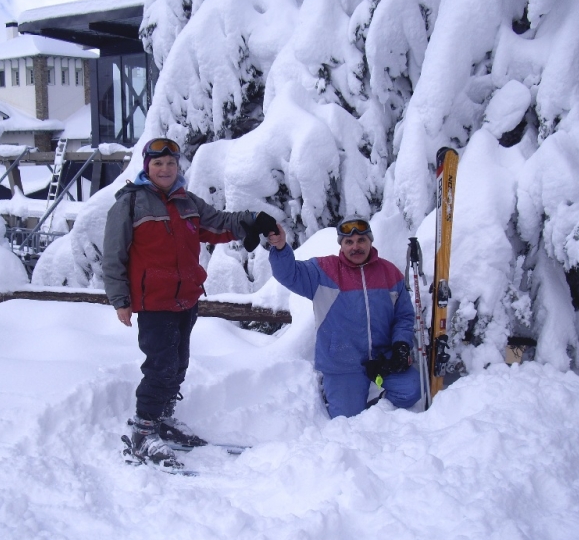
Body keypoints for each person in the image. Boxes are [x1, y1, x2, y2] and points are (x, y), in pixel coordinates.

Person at [102, 137, 277, 468]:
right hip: (154, 302)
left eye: (171, 163)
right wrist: (120, 300)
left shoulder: (187, 202)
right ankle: (143, 430)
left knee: (178, 364)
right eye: (158, 164)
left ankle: (161, 420)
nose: (165, 169)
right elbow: (114, 255)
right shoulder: (130, 204)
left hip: (185, 299)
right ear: (147, 167)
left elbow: (219, 223)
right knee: (161, 365)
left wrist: (253, 220)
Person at [267, 216, 421, 418]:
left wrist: (401, 346)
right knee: (346, 421)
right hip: (342, 363)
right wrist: (280, 248)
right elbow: (289, 274)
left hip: (383, 359)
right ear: (341, 244)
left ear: (370, 241)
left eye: (361, 240)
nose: (355, 247)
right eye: (349, 242)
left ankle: (379, 406)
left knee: (411, 390)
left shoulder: (389, 273)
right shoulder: (323, 271)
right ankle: (334, 390)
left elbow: (404, 316)